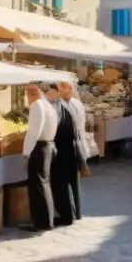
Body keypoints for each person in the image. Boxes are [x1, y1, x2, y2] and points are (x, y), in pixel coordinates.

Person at [51, 80, 87, 225]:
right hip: (74, 146)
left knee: (63, 182)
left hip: (66, 148)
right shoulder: (72, 104)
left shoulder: (60, 106)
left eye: (63, 87)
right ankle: (76, 213)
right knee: (73, 182)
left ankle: (68, 214)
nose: (62, 90)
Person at [23, 83, 58, 231]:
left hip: (40, 147)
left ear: (32, 92)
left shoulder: (37, 105)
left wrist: (27, 152)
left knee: (38, 186)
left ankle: (41, 222)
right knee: (44, 184)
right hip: (48, 145)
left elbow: (33, 132)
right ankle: (47, 220)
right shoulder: (48, 104)